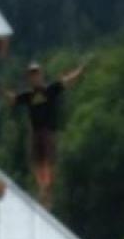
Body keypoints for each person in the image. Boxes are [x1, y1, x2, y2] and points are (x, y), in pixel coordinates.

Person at [5, 61, 85, 206]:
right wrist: (4, 92)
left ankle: (46, 187)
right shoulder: (28, 96)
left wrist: (78, 71)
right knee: (36, 161)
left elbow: (66, 82)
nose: (34, 78)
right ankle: (42, 187)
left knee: (47, 160)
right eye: (32, 75)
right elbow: (14, 100)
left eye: (36, 74)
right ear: (29, 78)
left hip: (48, 131)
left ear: (41, 75)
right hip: (35, 132)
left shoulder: (50, 90)